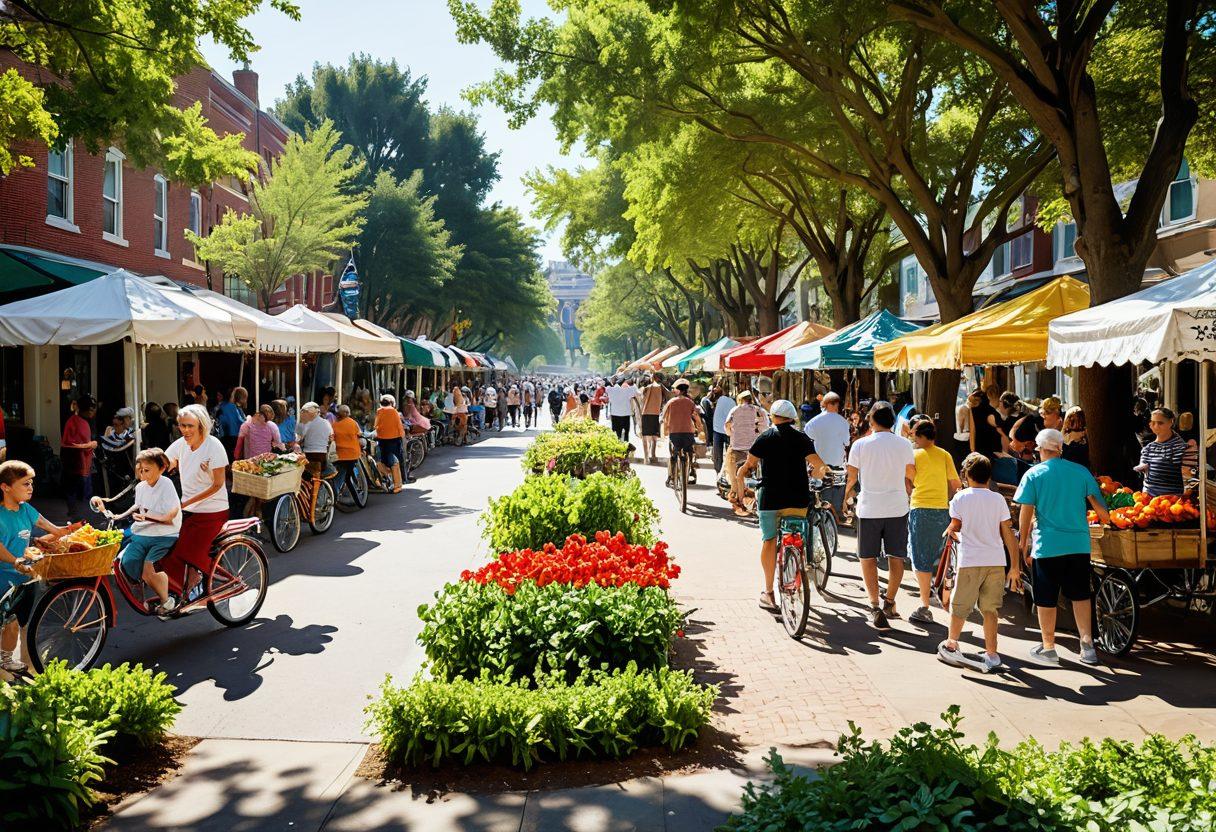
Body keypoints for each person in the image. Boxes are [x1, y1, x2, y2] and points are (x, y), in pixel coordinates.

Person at [1014, 429, 1110, 666]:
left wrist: (1022, 542)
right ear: (1060, 448)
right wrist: (1105, 518)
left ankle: (1048, 647)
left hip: (1048, 545)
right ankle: (1087, 645)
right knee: (1080, 594)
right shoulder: (1080, 472)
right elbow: (1102, 512)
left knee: (1046, 597)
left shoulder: (1033, 474)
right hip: (1078, 544)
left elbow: (1025, 514)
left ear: (1039, 449)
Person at [736, 400, 825, 609]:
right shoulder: (802, 438)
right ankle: (796, 570)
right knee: (795, 537)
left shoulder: (765, 437)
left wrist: (739, 480)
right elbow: (818, 464)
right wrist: (818, 473)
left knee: (769, 541)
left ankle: (768, 592)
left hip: (771, 500)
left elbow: (749, 465)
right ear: (792, 417)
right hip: (797, 498)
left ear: (773, 417)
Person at [937, 454, 1020, 672]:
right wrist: (1014, 566)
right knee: (990, 609)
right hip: (995, 561)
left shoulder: (960, 499)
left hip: (970, 560)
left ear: (966, 475)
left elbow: (955, 526)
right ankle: (992, 654)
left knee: (960, 606)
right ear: (988, 476)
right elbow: (1008, 533)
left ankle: (951, 644)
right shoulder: (998, 499)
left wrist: (949, 531)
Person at [0, 460, 83, 672]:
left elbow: (50, 527)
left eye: (31, 483)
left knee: (20, 622)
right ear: (5, 487)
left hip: (25, 575)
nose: (31, 488)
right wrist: (15, 561)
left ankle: (7, 660)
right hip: (4, 575)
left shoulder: (26, 509)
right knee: (7, 622)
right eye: (25, 484)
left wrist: (73, 532)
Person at [844, 403, 916, 629]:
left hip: (869, 508)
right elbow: (910, 475)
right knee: (896, 557)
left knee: (868, 558)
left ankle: (874, 604)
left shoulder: (860, 445)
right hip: (897, 507)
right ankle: (890, 601)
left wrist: (844, 500)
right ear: (893, 421)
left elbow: (852, 478)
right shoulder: (904, 444)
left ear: (872, 422)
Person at [162, 405, 231, 603]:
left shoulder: (214, 445)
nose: (185, 430)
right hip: (188, 510)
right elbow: (165, 462)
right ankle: (177, 590)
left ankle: (199, 580)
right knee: (167, 549)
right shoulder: (181, 444)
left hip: (213, 511)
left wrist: (186, 502)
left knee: (186, 552)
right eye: (181, 426)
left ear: (201, 426)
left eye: (189, 426)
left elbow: (218, 484)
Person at [115, 448, 181, 616]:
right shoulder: (141, 487)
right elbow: (137, 506)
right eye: (141, 470)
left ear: (161, 468)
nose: (143, 474)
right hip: (144, 532)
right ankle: (138, 587)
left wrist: (150, 519)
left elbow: (171, 515)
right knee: (127, 560)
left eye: (147, 470)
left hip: (165, 534)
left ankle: (167, 601)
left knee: (147, 568)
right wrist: (117, 514)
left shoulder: (166, 484)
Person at [907, 421, 961, 624]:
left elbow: (909, 480)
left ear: (920, 437)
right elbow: (955, 484)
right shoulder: (945, 454)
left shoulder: (914, 455)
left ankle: (924, 604)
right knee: (940, 555)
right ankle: (943, 596)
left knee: (920, 556)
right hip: (941, 510)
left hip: (920, 508)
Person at [723, 390, 769, 516]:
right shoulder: (760, 411)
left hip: (736, 448)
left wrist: (732, 434)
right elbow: (765, 428)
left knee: (734, 475)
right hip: (755, 450)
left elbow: (727, 426)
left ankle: (737, 497)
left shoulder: (734, 410)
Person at [804, 391, 850, 512]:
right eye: (837, 405)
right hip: (837, 464)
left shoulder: (814, 421)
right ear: (833, 404)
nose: (838, 408)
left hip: (819, 464)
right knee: (836, 494)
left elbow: (808, 435)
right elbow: (847, 442)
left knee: (820, 494)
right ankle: (835, 517)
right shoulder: (843, 421)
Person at [1137, 407, 1190, 497]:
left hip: (1172, 502)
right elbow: (1145, 475)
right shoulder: (1148, 448)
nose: (1156, 426)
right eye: (1153, 422)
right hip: (1148, 501)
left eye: (1160, 423)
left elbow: (1188, 480)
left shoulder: (1181, 448)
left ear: (1171, 422)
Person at [61, 396, 98, 521]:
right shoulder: (81, 423)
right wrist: (91, 444)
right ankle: (80, 520)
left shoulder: (72, 420)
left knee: (72, 493)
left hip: (72, 463)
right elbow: (74, 445)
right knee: (82, 494)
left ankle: (75, 517)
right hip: (79, 464)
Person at [660, 379, 703, 488]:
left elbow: (663, 417)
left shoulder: (671, 402)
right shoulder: (690, 402)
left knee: (673, 454)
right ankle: (691, 468)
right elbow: (696, 417)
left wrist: (664, 430)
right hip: (688, 433)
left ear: (679, 391)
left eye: (675, 389)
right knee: (690, 451)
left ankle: (671, 477)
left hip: (674, 433)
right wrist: (700, 429)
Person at [374, 394, 406, 493]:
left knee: (382, 460)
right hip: (394, 439)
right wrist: (402, 437)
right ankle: (397, 485)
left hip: (382, 439)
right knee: (394, 461)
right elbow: (399, 425)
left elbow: (376, 425)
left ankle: (384, 479)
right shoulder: (394, 412)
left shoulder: (379, 412)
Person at [331, 404, 362, 501]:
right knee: (347, 478)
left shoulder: (334, 425)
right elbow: (359, 434)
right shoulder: (353, 423)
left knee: (340, 475)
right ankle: (357, 499)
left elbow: (332, 438)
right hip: (352, 455)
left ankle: (334, 494)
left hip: (339, 456)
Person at [296, 401, 334, 474]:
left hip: (309, 454)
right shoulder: (326, 422)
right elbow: (331, 437)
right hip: (322, 454)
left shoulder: (307, 423)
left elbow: (300, 438)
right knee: (320, 472)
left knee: (306, 473)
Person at [640, 373, 668, 465]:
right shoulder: (661, 388)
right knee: (654, 436)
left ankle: (646, 457)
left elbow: (641, 399)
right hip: (655, 413)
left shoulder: (647, 388)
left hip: (645, 413)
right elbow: (667, 397)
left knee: (645, 436)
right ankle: (653, 454)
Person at [968, 388, 1001, 459]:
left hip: (981, 448)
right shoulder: (992, 411)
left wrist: (972, 451)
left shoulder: (974, 411)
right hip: (993, 448)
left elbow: (972, 430)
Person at [216, 387, 248, 460]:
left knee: (228, 456)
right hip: (236, 435)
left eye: (218, 395)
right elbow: (241, 421)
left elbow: (221, 421)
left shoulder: (221, 407)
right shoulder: (234, 407)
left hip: (226, 435)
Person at [711, 386, 736, 477]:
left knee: (718, 453)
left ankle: (718, 473)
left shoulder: (720, 399)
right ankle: (730, 471)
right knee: (731, 452)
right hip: (729, 430)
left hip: (718, 430)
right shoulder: (732, 402)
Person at [606, 377, 640, 444]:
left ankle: (616, 446)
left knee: (616, 433)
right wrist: (633, 384)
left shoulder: (611, 390)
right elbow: (635, 390)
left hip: (615, 415)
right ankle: (625, 446)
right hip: (625, 415)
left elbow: (607, 388)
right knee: (626, 433)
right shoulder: (627, 390)